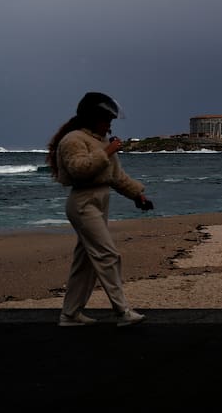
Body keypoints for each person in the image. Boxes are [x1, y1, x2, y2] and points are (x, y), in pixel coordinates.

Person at [46, 92, 154, 327]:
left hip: (99, 202)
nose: (109, 125)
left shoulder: (101, 142)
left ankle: (70, 314)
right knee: (107, 255)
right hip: (83, 203)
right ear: (93, 118)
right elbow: (78, 170)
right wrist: (107, 152)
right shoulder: (73, 140)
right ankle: (122, 311)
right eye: (106, 120)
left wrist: (138, 194)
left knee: (85, 263)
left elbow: (115, 177)